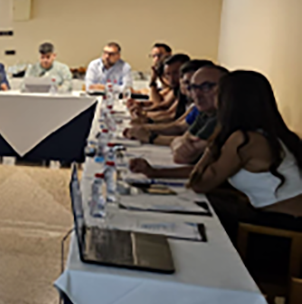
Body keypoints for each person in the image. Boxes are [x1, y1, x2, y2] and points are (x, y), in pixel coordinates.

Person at [188, 71, 302, 240]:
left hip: (283, 227)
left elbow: (200, 183)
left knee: (201, 214)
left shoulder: (244, 140)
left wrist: (211, 147)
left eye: (217, 94)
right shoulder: (270, 134)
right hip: (287, 218)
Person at [128, 65, 228, 179]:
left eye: (206, 87)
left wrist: (150, 135)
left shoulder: (224, 119)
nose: (197, 94)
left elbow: (184, 155)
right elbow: (181, 136)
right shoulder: (205, 113)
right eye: (193, 87)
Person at [125, 59, 209, 146]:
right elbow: (178, 125)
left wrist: (150, 135)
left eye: (206, 86)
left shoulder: (211, 110)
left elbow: (191, 142)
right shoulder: (197, 104)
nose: (172, 78)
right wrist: (145, 122)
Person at [129, 53, 190, 124]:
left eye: (176, 73)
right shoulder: (178, 88)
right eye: (168, 74)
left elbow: (171, 115)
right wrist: (141, 110)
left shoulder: (190, 90)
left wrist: (144, 114)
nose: (171, 79)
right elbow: (164, 105)